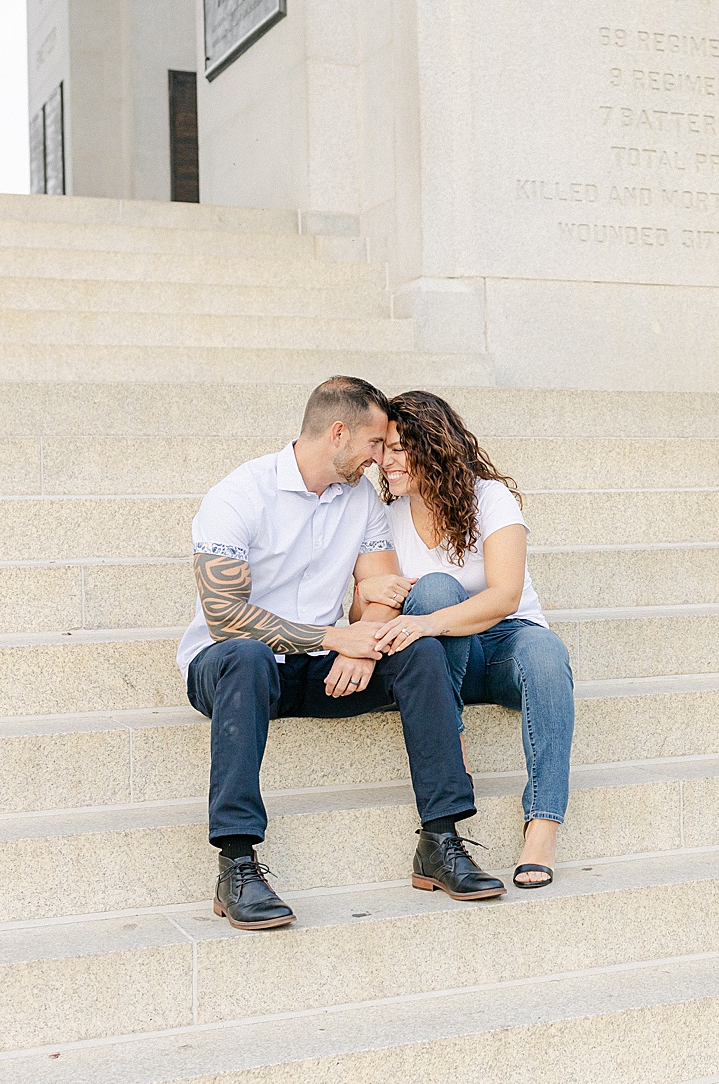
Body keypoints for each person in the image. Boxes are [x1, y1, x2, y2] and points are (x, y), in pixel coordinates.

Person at [179, 376, 504, 931]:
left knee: (418, 648)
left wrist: (366, 644)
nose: (382, 459)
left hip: (318, 671)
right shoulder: (238, 494)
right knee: (248, 656)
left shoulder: (361, 503)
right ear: (338, 433)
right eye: (376, 444)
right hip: (232, 671)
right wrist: (336, 639)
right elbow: (225, 617)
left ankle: (440, 840)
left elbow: (383, 590)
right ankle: (236, 863)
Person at [353, 390, 576, 889]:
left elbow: (505, 595)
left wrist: (429, 622)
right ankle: (453, 750)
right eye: (382, 449)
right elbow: (363, 611)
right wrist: (367, 590)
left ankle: (542, 825)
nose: (384, 461)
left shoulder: (490, 499)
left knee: (546, 652)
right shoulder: (386, 519)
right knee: (432, 589)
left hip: (504, 646)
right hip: (441, 665)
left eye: (397, 448)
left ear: (433, 446)